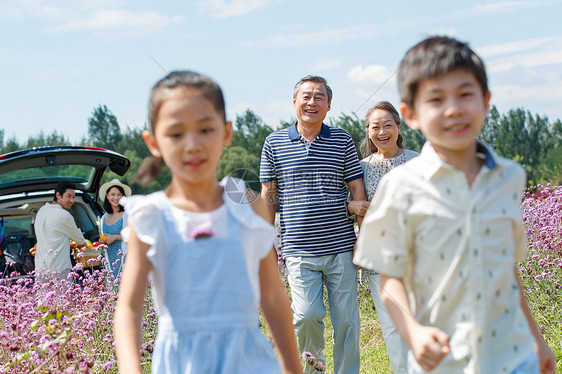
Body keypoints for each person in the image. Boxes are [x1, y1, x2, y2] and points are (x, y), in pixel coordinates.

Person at [354, 36, 556, 373]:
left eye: (465, 94)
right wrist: (414, 334)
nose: (453, 109)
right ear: (412, 114)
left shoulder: (508, 177)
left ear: (486, 101)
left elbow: (507, 268)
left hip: (513, 355)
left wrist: (537, 339)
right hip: (444, 361)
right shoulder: (400, 187)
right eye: (436, 99)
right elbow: (389, 280)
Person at [114, 70, 302, 374]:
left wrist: (293, 370)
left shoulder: (250, 207)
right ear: (153, 141)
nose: (192, 145)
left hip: (250, 361)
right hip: (182, 364)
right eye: (176, 134)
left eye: (205, 129)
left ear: (226, 132)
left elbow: (273, 297)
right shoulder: (149, 216)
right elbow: (129, 307)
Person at [260, 75, 367, 374]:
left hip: (342, 248)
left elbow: (358, 190)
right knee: (307, 315)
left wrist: (363, 235)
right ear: (294, 102)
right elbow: (269, 194)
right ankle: (312, 370)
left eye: (320, 97)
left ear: (329, 105)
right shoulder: (274, 143)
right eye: (306, 96)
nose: (312, 102)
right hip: (298, 249)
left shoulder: (342, 140)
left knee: (346, 320)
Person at [347, 100, 418, 374]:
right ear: (368, 132)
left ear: (398, 128)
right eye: (375, 127)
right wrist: (349, 207)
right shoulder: (360, 168)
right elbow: (348, 204)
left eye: (388, 124)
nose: (382, 131)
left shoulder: (418, 161)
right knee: (392, 327)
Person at [34, 181, 86, 280]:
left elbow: (51, 236)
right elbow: (80, 240)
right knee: (63, 296)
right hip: (60, 270)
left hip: (40, 270)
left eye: (73, 197)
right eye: (69, 196)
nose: (72, 200)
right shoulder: (64, 215)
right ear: (58, 195)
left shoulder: (41, 210)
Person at [99, 178, 131, 279]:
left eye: (119, 195)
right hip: (109, 260)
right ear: (107, 196)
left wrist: (116, 237)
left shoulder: (126, 215)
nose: (116, 198)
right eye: (112, 194)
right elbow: (103, 236)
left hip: (124, 259)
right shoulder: (104, 217)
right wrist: (101, 241)